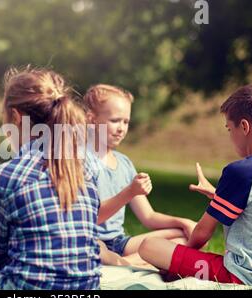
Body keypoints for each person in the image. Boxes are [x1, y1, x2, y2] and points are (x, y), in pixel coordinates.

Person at [0, 68, 152, 289]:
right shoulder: (82, 170)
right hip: (87, 287)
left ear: (16, 116)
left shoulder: (0, 177)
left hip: (25, 287)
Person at [138, 79, 252, 286]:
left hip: (243, 276)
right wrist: (217, 195)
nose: (230, 136)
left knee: (149, 246)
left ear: (244, 126)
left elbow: (202, 233)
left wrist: (178, 261)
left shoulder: (241, 171)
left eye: (229, 129)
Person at [83, 84, 197, 266]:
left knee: (185, 237)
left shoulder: (125, 163)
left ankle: (124, 263)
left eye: (126, 122)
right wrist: (129, 192)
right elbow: (90, 217)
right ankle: (131, 262)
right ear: (92, 119)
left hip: (119, 242)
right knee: (95, 249)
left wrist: (183, 222)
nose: (121, 128)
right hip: (90, 239)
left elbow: (149, 217)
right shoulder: (82, 160)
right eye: (114, 120)